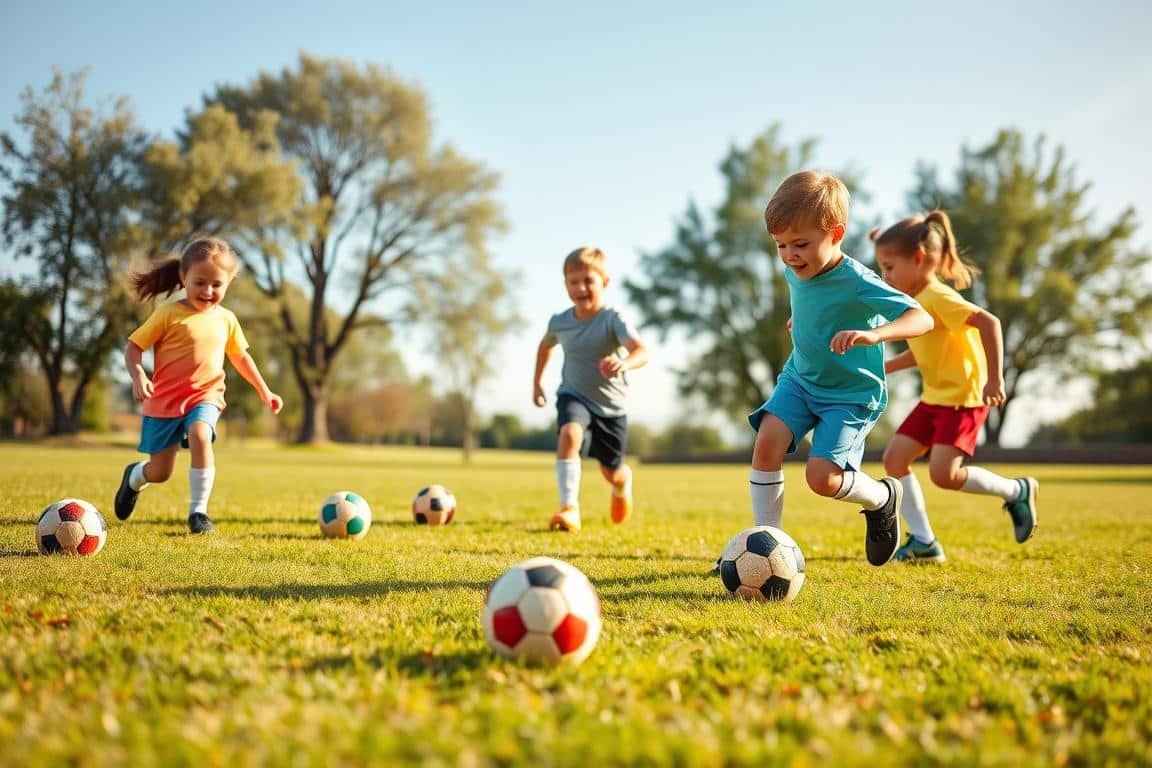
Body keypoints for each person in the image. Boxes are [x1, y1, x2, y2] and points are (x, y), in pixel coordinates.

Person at [747, 171, 934, 566]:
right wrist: (803, 322)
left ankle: (883, 498)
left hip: (850, 395)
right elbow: (813, 300)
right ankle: (766, 547)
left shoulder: (857, 280)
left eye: (800, 244)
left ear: (835, 233)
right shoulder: (793, 269)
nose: (789, 255)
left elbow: (921, 318)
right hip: (799, 380)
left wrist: (875, 334)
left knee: (822, 479)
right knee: (766, 445)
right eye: (780, 245)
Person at [874, 211, 1037, 563]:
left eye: (889, 267)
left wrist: (995, 378)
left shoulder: (937, 297)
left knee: (944, 476)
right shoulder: (914, 304)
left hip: (963, 398)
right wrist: (882, 367)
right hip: (934, 398)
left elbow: (989, 323)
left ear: (918, 260)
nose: (884, 276)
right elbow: (922, 352)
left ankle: (1015, 490)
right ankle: (924, 541)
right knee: (895, 459)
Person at [114, 237, 283, 534]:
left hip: (205, 396)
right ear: (183, 277)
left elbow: (240, 357)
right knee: (160, 472)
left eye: (216, 285)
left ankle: (198, 513)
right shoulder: (168, 313)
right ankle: (134, 478)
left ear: (228, 283)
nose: (208, 291)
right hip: (164, 401)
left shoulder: (227, 320)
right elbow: (133, 347)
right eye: (200, 282)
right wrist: (139, 375)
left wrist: (265, 391)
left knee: (200, 434)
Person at [533, 246, 648, 532]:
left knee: (612, 472)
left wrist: (624, 363)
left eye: (589, 281)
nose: (581, 288)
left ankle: (622, 485)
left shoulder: (612, 319)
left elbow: (641, 351)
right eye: (574, 282)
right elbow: (545, 347)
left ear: (604, 283)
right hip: (573, 395)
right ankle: (569, 507)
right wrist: (536, 382)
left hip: (612, 407)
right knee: (569, 433)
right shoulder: (560, 322)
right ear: (566, 285)